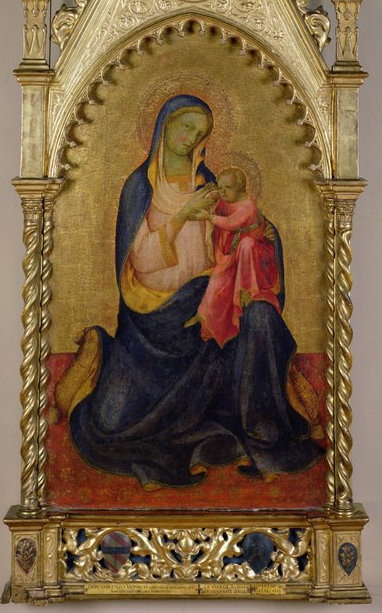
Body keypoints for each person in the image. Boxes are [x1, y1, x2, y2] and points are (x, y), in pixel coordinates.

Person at [56, 94, 324, 488]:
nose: (190, 138)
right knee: (109, 425)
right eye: (185, 127)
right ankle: (105, 354)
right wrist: (182, 215)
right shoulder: (140, 187)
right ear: (164, 125)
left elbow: (235, 232)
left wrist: (263, 234)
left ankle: (266, 435)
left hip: (207, 299)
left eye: (199, 133)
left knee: (261, 316)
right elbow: (141, 259)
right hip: (151, 323)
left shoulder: (208, 183)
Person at [196, 166, 281, 348]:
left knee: (246, 244)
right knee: (217, 280)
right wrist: (211, 195)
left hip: (253, 255)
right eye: (220, 187)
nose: (223, 192)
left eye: (227, 188)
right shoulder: (227, 199)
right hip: (230, 254)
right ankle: (206, 319)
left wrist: (209, 217)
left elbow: (230, 223)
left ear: (240, 188)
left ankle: (246, 289)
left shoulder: (248, 206)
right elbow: (218, 202)